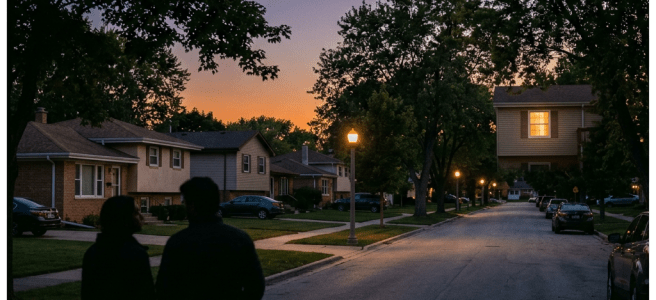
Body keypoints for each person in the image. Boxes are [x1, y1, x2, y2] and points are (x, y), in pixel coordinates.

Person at [156, 177, 265, 300]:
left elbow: (164, 289)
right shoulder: (240, 239)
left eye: (185, 202)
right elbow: (256, 286)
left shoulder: (178, 243)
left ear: (192, 205)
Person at [81, 196, 154, 300]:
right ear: (124, 217)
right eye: (136, 212)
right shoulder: (135, 255)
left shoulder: (92, 253)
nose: (141, 217)